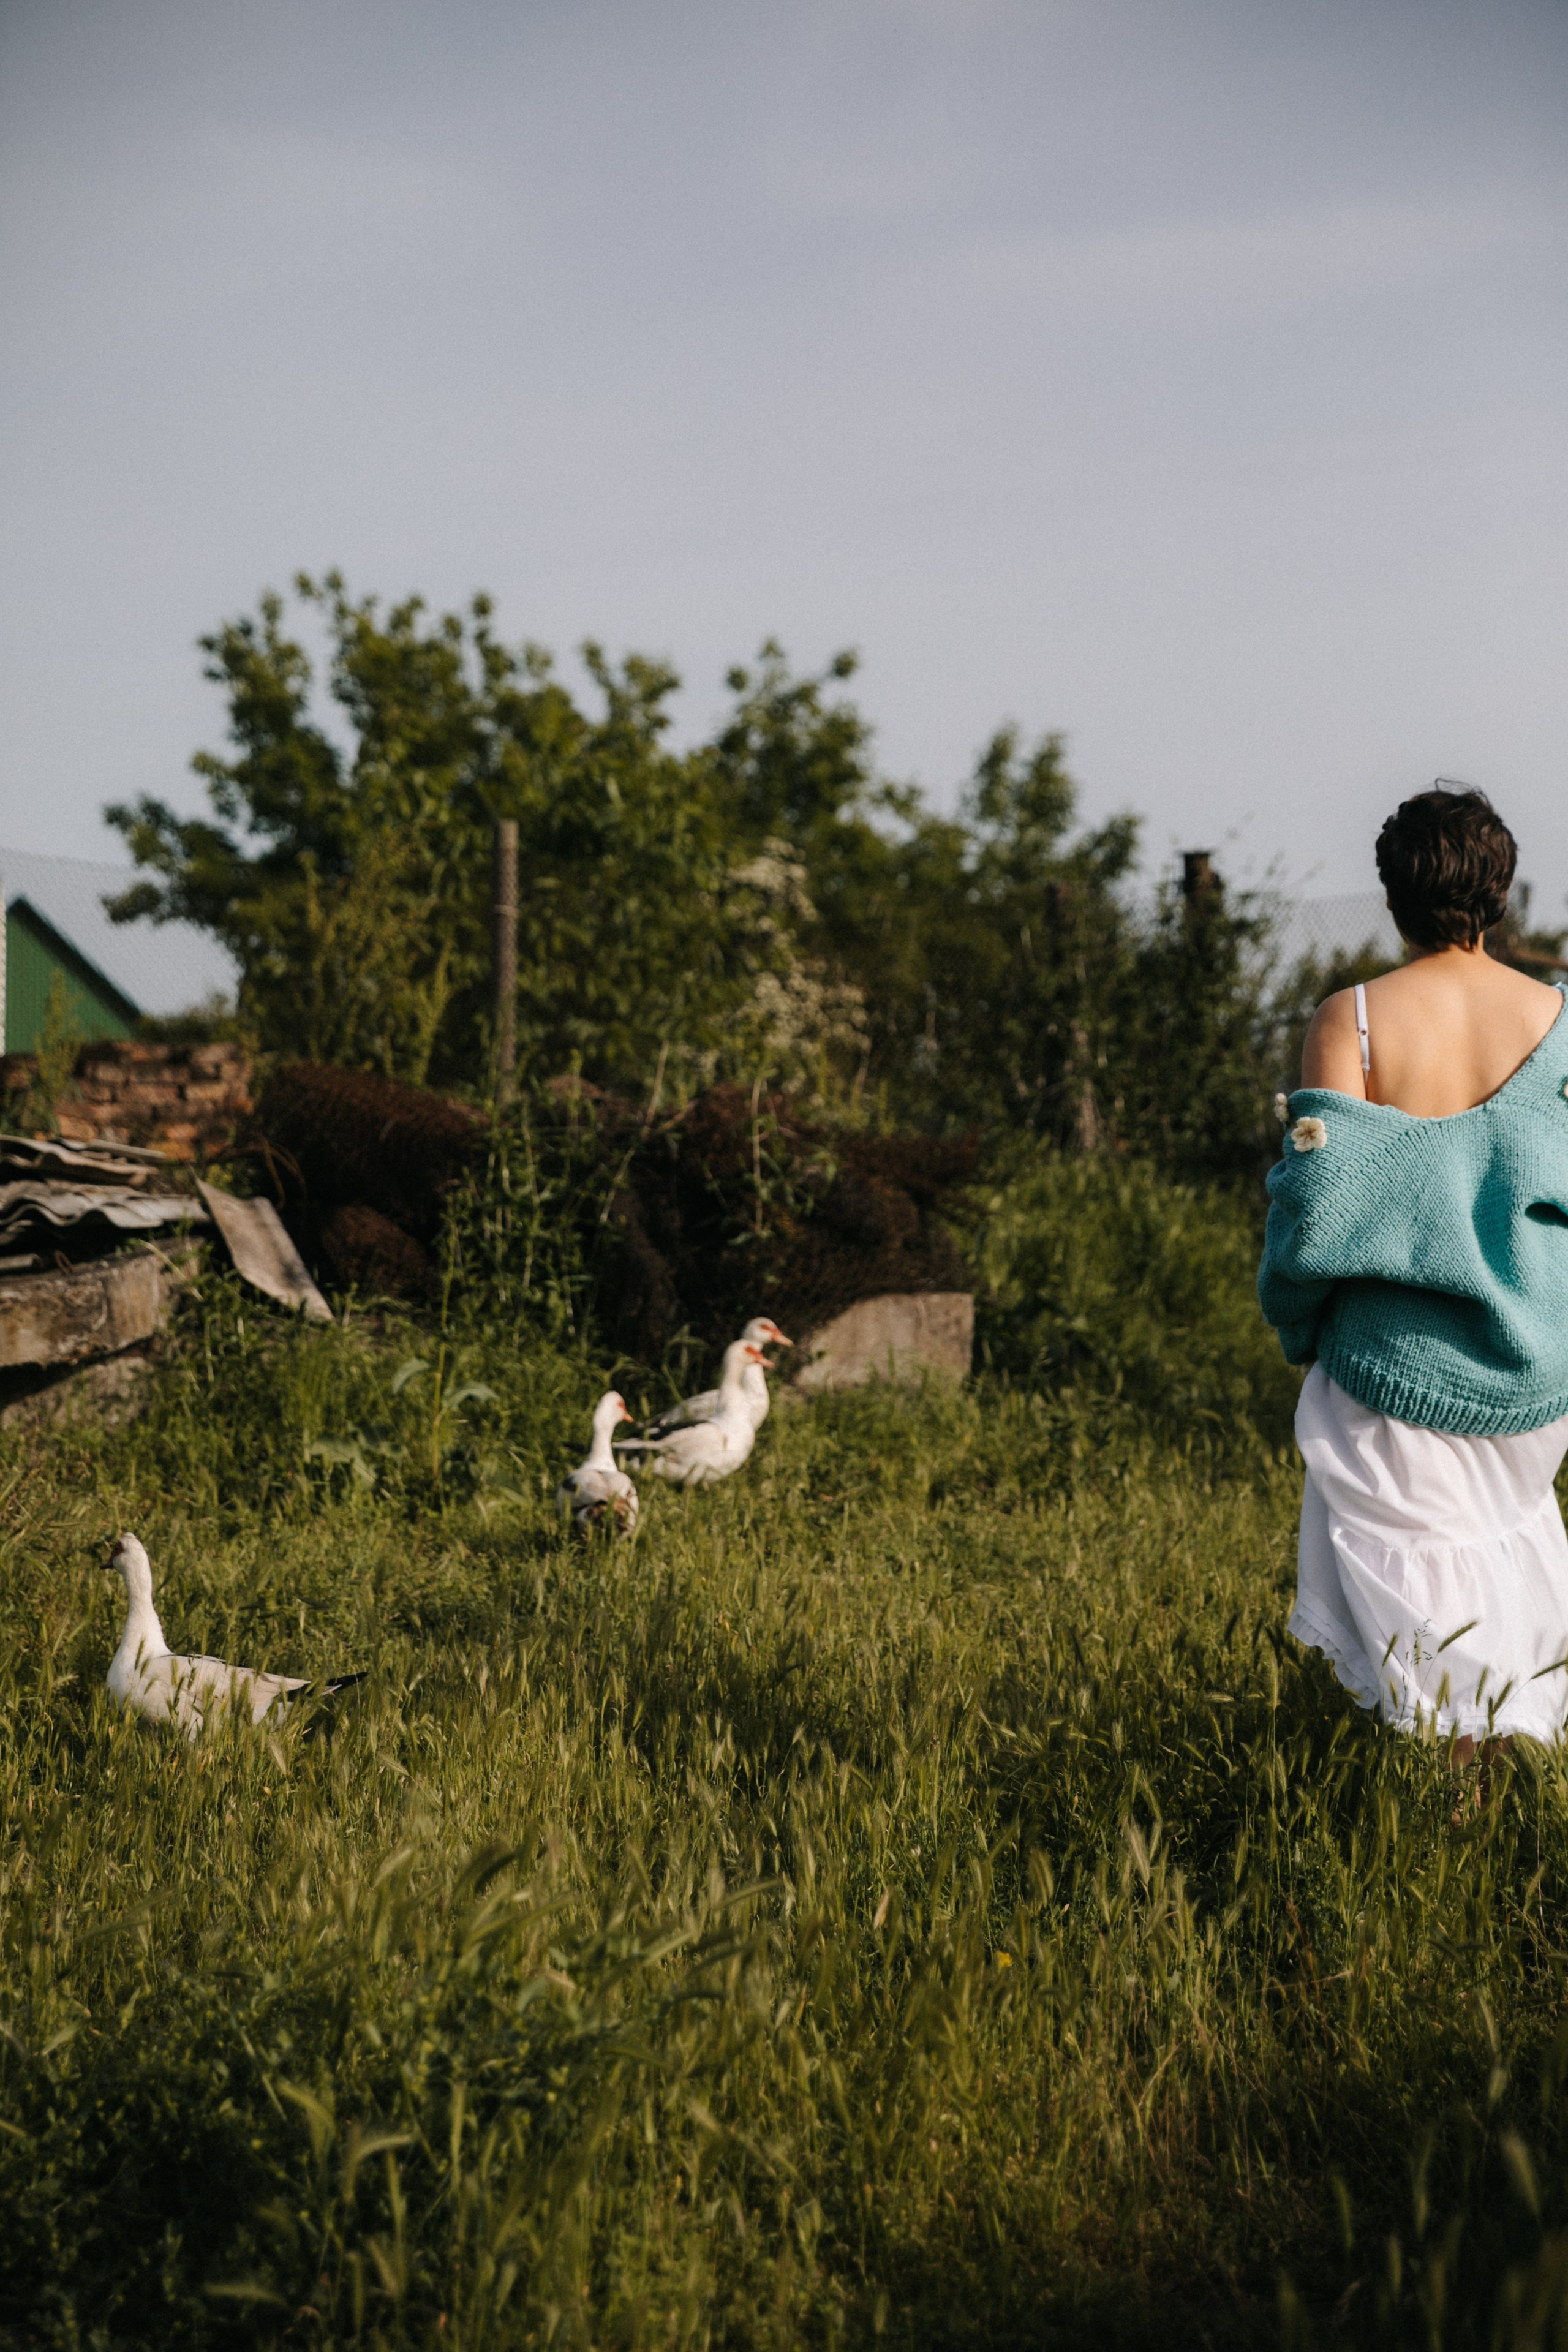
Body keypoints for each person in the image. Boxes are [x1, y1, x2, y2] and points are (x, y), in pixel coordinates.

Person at [1259, 786, 1568, 1756]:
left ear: (1392, 894)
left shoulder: (1348, 1020)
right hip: (1533, 1368)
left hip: (1390, 1367)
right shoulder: (1560, 1021)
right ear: (1502, 891)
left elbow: (1315, 1214)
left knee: (1423, 1612)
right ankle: (1511, 1795)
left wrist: (1296, 1322)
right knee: (1499, 1566)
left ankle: (1450, 1818)